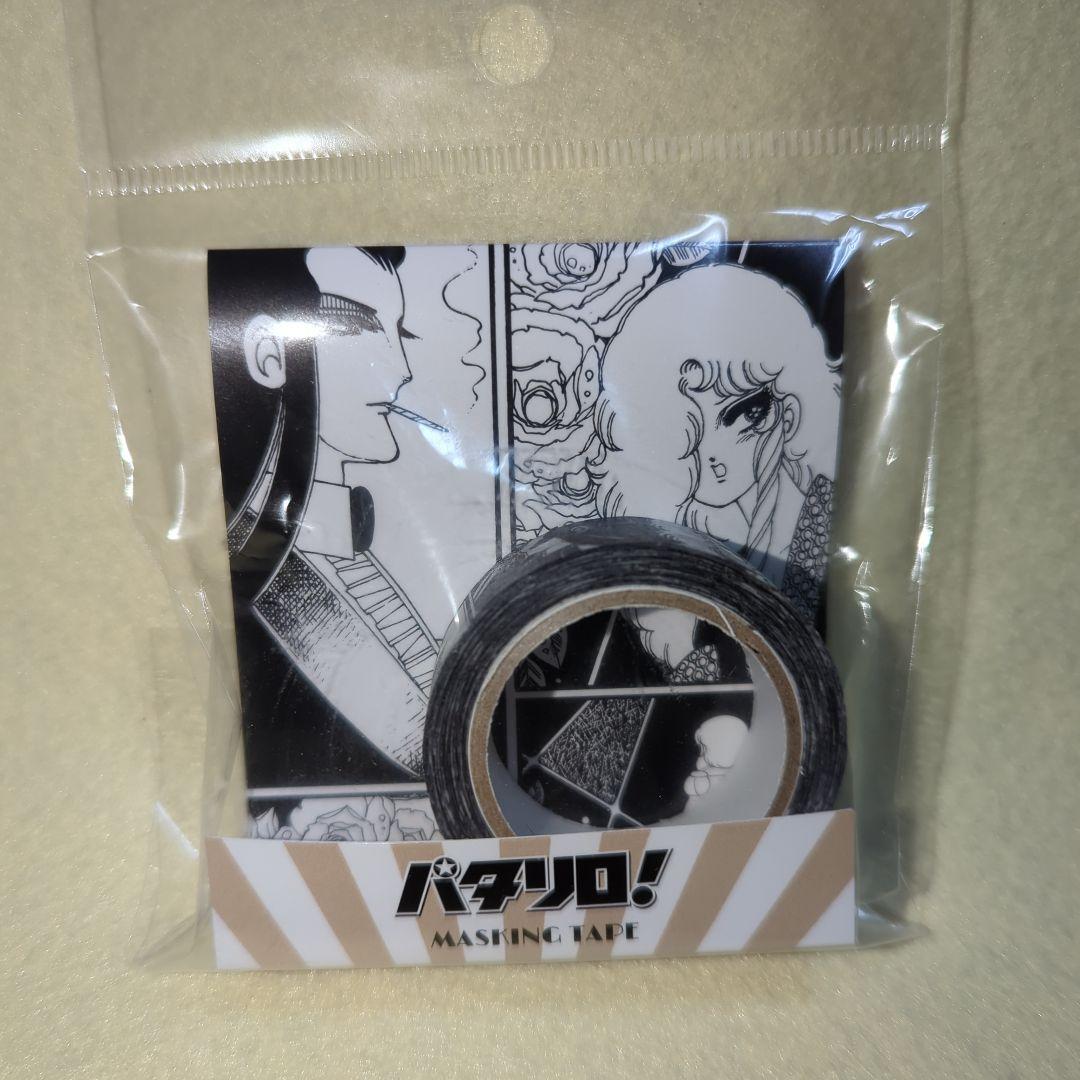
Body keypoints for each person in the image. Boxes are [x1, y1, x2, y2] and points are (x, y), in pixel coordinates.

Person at [209, 246, 438, 796]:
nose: (402, 369)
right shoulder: (260, 582)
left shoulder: (349, 551)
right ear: (269, 354)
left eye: (400, 333)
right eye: (357, 328)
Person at [591, 262, 842, 622]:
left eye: (745, 414)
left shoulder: (819, 521)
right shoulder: (674, 530)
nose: (713, 455)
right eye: (688, 428)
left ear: (787, 410)